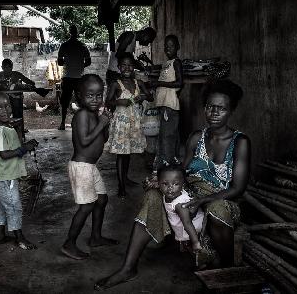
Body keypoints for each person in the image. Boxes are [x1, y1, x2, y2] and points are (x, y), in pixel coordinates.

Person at [95, 79, 251, 290]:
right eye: (210, 107)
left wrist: (202, 200)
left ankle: (225, 268)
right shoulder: (197, 137)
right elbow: (182, 170)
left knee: (216, 209)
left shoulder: (240, 142)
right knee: (153, 195)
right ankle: (128, 267)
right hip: (189, 192)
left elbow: (238, 188)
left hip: (221, 197)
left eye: (221, 108)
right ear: (205, 108)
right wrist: (159, 180)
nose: (214, 112)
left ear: (231, 111)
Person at [61, 74, 119, 260]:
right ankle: (69, 244)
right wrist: (101, 123)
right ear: (79, 95)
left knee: (101, 200)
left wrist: (106, 124)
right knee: (86, 206)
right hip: (81, 167)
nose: (95, 100)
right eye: (90, 95)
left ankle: (95, 237)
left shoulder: (95, 115)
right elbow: (84, 141)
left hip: (91, 167)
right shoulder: (82, 115)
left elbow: (103, 139)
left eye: (99, 95)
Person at [0, 91, 39, 250]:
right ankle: (20, 238)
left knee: (4, 204)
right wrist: (24, 149)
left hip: (8, 175)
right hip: (5, 177)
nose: (5, 110)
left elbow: (11, 148)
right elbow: (4, 154)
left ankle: (0, 235)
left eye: (7, 106)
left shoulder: (6, 127)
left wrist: (25, 146)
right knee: (14, 206)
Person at [106, 52, 153, 198]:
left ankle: (125, 179)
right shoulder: (116, 84)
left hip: (134, 122)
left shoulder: (138, 83)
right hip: (121, 123)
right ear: (119, 67)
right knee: (122, 154)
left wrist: (143, 96)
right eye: (124, 65)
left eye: (130, 65)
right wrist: (118, 102)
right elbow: (107, 102)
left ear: (134, 67)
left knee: (128, 153)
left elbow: (151, 96)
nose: (127, 68)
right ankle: (121, 186)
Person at [148, 34, 184, 166]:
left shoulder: (176, 63)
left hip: (170, 105)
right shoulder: (166, 64)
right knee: (167, 134)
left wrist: (159, 84)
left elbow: (180, 83)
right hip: (165, 105)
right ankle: (171, 160)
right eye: (166, 46)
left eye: (171, 46)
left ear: (178, 47)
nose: (168, 49)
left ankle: (168, 164)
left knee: (167, 136)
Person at [159, 162, 203, 252]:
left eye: (175, 184)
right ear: (159, 183)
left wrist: (195, 242)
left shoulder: (180, 205)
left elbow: (187, 223)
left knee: (191, 247)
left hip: (191, 228)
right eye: (165, 184)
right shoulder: (170, 194)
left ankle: (196, 250)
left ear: (182, 184)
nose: (170, 188)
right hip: (183, 225)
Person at [57, 25, 91, 130]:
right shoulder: (83, 46)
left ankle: (62, 123)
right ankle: (83, 123)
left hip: (67, 77)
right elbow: (89, 62)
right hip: (79, 78)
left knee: (65, 102)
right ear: (78, 33)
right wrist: (80, 66)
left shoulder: (64, 45)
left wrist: (68, 63)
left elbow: (59, 62)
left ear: (69, 32)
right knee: (81, 101)